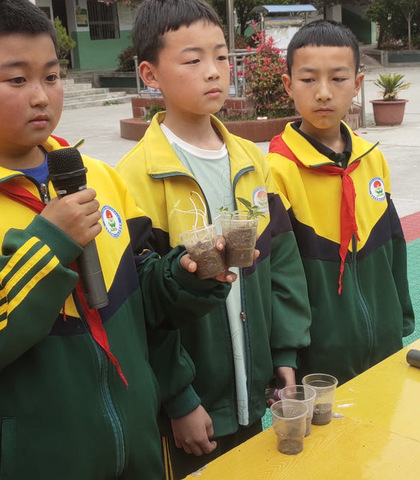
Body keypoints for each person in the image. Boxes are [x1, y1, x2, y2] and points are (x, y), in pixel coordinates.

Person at [0, 1, 234, 479]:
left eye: (51, 76)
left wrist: (185, 277)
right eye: (17, 80)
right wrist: (49, 242)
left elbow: (146, 299)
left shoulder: (100, 179)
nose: (42, 96)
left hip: (140, 449)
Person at [115, 0, 311, 478]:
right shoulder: (134, 179)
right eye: (192, 59)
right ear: (150, 74)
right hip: (193, 408)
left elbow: (281, 262)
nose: (214, 72)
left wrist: (284, 352)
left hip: (256, 393)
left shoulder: (251, 159)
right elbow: (141, 309)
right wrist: (179, 398)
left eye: (222, 56)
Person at [267, 19, 415, 386]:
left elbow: (393, 245)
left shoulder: (372, 159)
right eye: (308, 79)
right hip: (320, 363)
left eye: (337, 78)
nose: (323, 93)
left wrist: (400, 315)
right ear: (288, 85)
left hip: (384, 346)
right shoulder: (276, 172)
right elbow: (279, 276)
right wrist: (285, 353)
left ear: (357, 85)